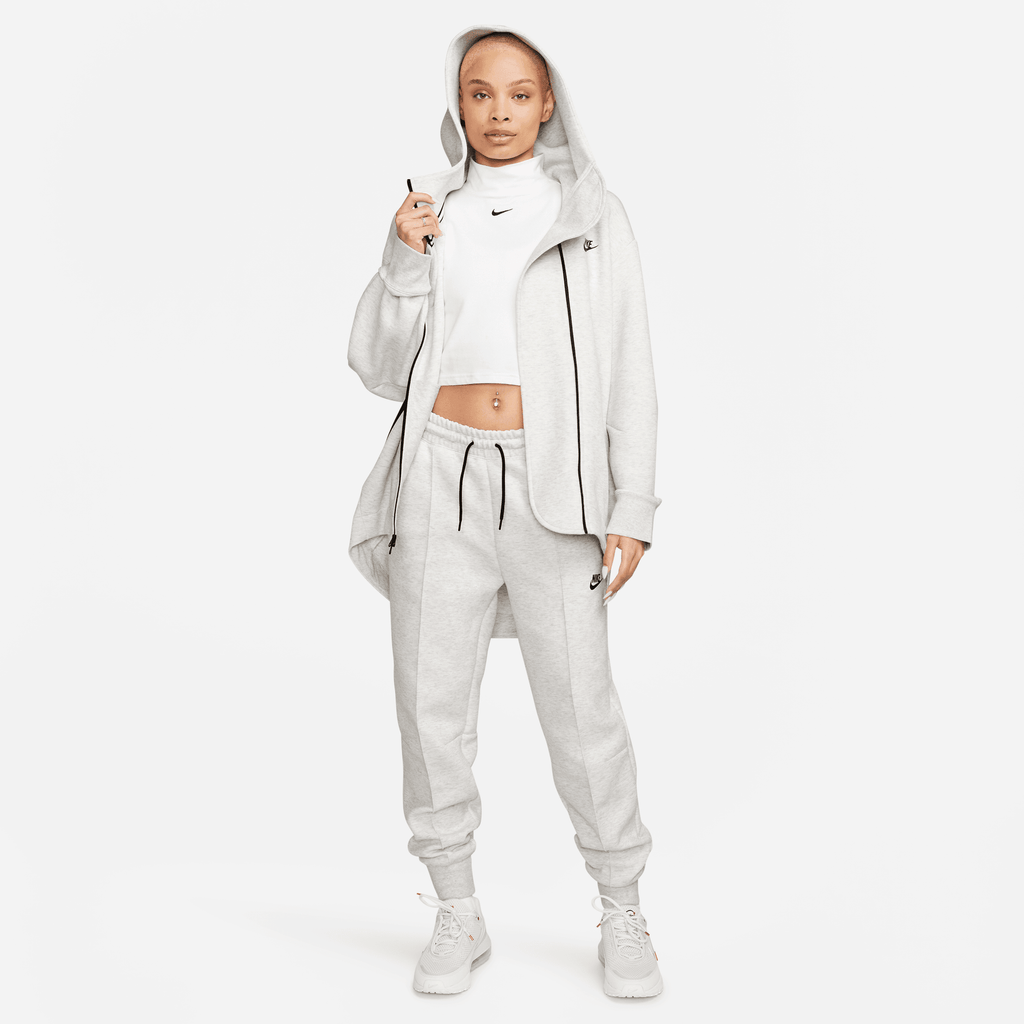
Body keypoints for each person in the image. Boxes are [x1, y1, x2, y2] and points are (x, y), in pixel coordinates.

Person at [347, 24, 663, 998]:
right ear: (459, 101)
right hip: (438, 479)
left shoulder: (590, 213)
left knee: (582, 711)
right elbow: (376, 367)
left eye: (518, 93)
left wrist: (631, 503)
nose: (497, 111)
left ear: (547, 101)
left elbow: (628, 363)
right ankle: (455, 909)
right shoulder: (429, 210)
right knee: (429, 707)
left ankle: (622, 908)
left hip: (554, 489)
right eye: (479, 92)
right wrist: (401, 262)